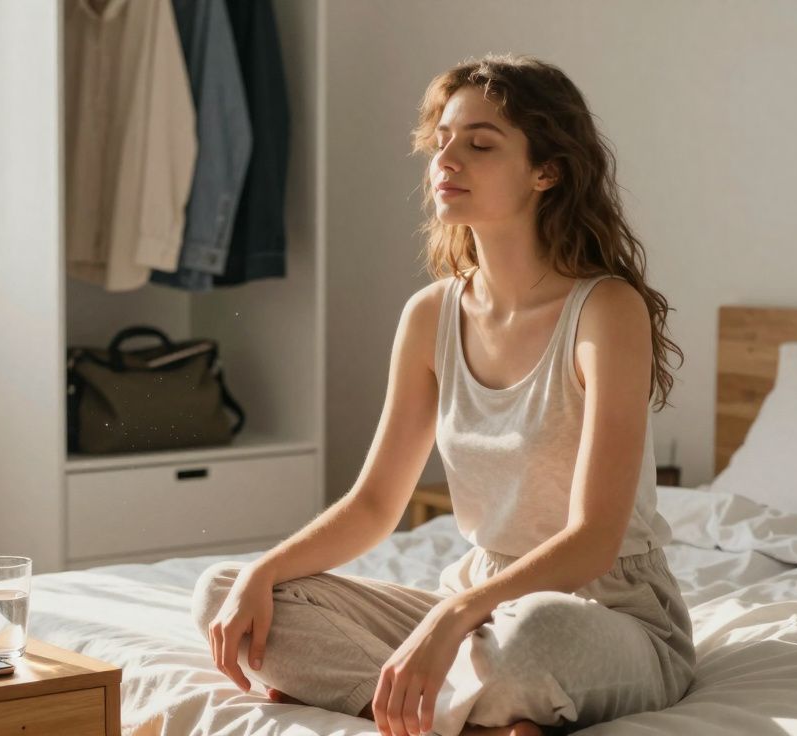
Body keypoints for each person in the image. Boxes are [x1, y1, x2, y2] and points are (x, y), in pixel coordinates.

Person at [191, 52, 695, 736]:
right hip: (477, 604)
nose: (446, 160)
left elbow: (594, 540)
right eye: (442, 141)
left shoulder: (605, 312)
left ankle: (393, 696)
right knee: (225, 593)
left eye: (480, 145)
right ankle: (467, 718)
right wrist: (265, 571)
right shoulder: (430, 314)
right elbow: (375, 505)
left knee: (527, 642)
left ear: (547, 172)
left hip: (604, 611)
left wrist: (452, 617)